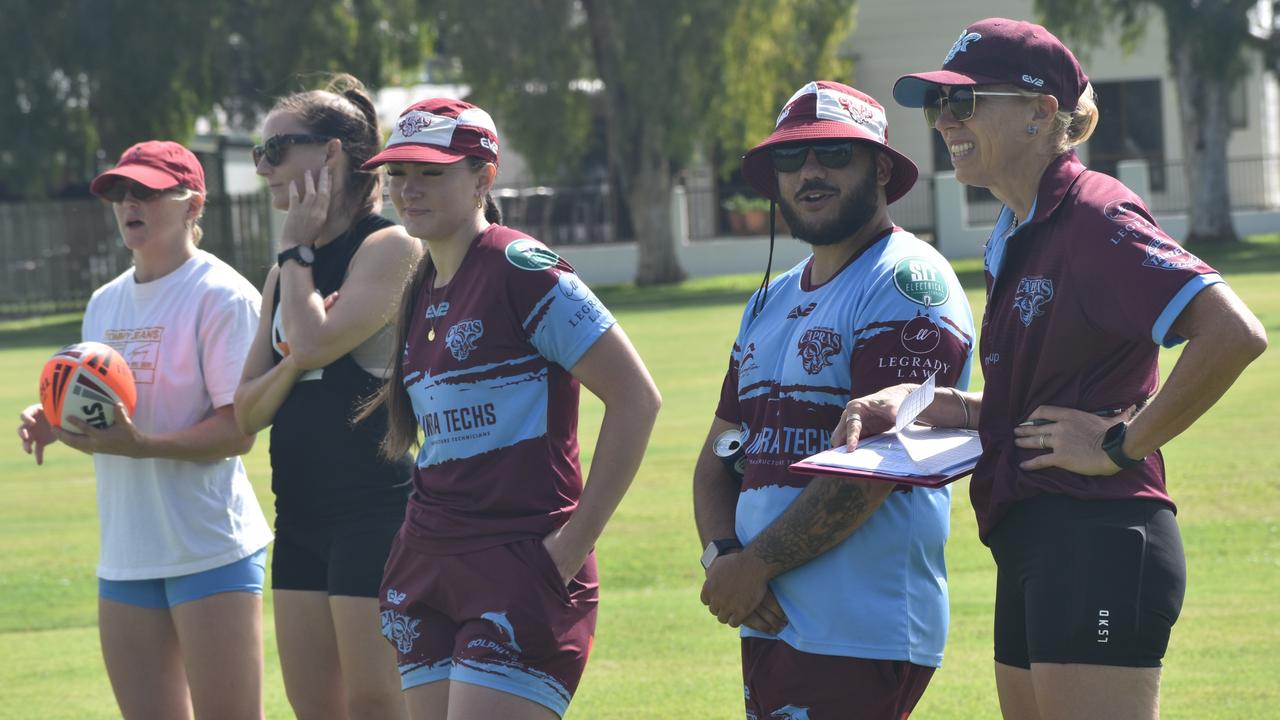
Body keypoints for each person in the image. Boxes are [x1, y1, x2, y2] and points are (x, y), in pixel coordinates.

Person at [826, 18, 1269, 720]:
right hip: (1037, 540)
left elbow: (1233, 335)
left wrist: (1122, 443)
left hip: (1098, 540)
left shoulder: (1095, 216)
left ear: (1040, 113)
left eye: (965, 101)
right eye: (937, 104)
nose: (944, 120)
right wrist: (922, 401)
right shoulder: (1016, 231)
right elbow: (1035, 404)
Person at [356, 97, 661, 720]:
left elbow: (636, 399)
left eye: (432, 172)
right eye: (398, 174)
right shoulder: (419, 285)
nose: (409, 189)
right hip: (427, 561)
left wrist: (573, 545)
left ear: (484, 177)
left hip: (521, 563)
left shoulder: (522, 268)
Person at [693, 81, 976, 720]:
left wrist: (755, 564)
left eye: (832, 155)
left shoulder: (908, 278)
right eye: (790, 160)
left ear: (879, 166)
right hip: (768, 614)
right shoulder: (767, 300)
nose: (809, 173)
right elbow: (718, 456)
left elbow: (878, 467)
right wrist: (724, 558)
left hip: (859, 624)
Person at [17, 141, 272, 719]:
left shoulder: (223, 296)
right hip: (128, 556)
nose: (129, 203)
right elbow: (107, 403)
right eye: (119, 192)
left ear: (192, 205)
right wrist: (58, 419)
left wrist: (141, 447)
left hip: (209, 548)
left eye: (147, 191)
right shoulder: (104, 303)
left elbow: (239, 430)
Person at [233, 75, 420, 719]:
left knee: (376, 705)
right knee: (313, 707)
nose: (264, 169)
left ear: (332, 153)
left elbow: (311, 340)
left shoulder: (389, 245)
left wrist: (296, 254)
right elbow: (246, 413)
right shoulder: (285, 270)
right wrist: (290, 357)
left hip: (376, 513)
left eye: (276, 149)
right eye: (259, 154)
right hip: (300, 516)